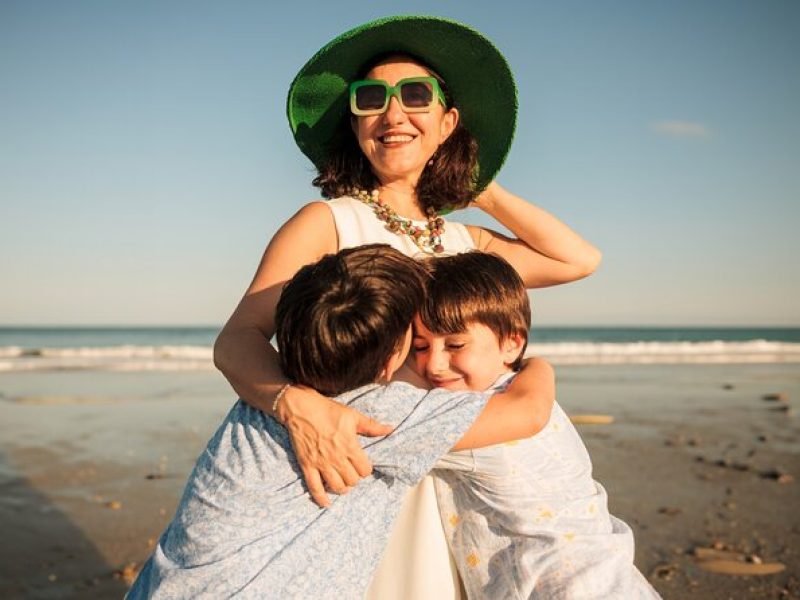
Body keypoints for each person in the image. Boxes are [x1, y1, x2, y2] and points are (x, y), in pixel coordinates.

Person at [213, 15, 602, 597]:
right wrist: (296, 408)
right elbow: (236, 339)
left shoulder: (464, 242)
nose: (393, 115)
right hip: (355, 453)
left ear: (448, 122)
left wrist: (482, 188)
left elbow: (577, 260)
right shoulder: (327, 222)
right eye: (371, 99)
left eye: (415, 97)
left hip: (455, 462)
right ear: (356, 124)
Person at [127, 244, 554, 599]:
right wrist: (534, 362)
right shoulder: (377, 414)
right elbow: (528, 411)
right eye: (416, 342)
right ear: (391, 361)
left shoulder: (261, 395)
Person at [412, 251, 660, 598]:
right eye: (418, 347)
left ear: (512, 343)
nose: (434, 364)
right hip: (612, 580)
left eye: (455, 344)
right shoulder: (519, 389)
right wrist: (539, 365)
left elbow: (369, 433)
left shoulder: (475, 415)